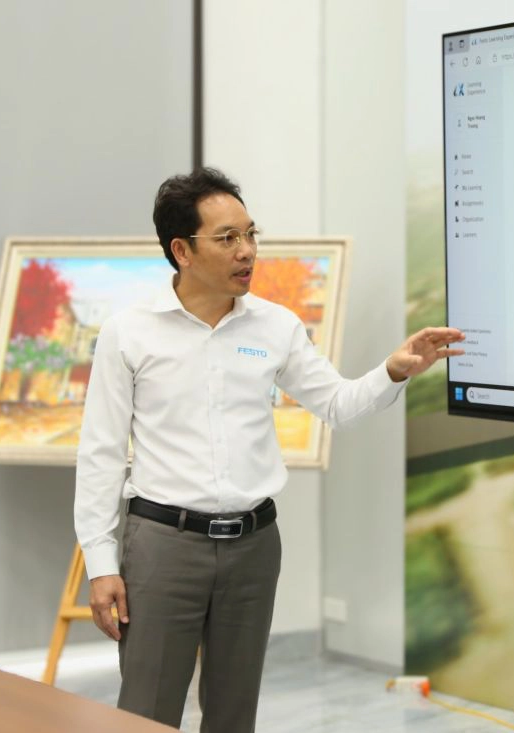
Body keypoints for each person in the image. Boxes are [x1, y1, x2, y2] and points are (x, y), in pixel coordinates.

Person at [74, 167, 464, 731]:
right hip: (163, 547)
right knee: (147, 714)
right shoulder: (129, 332)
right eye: (227, 238)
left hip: (253, 548)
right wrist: (100, 563)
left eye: (251, 234)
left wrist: (394, 371)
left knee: (234, 716)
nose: (247, 251)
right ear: (182, 250)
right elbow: (101, 453)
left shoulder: (275, 326)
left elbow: (337, 404)